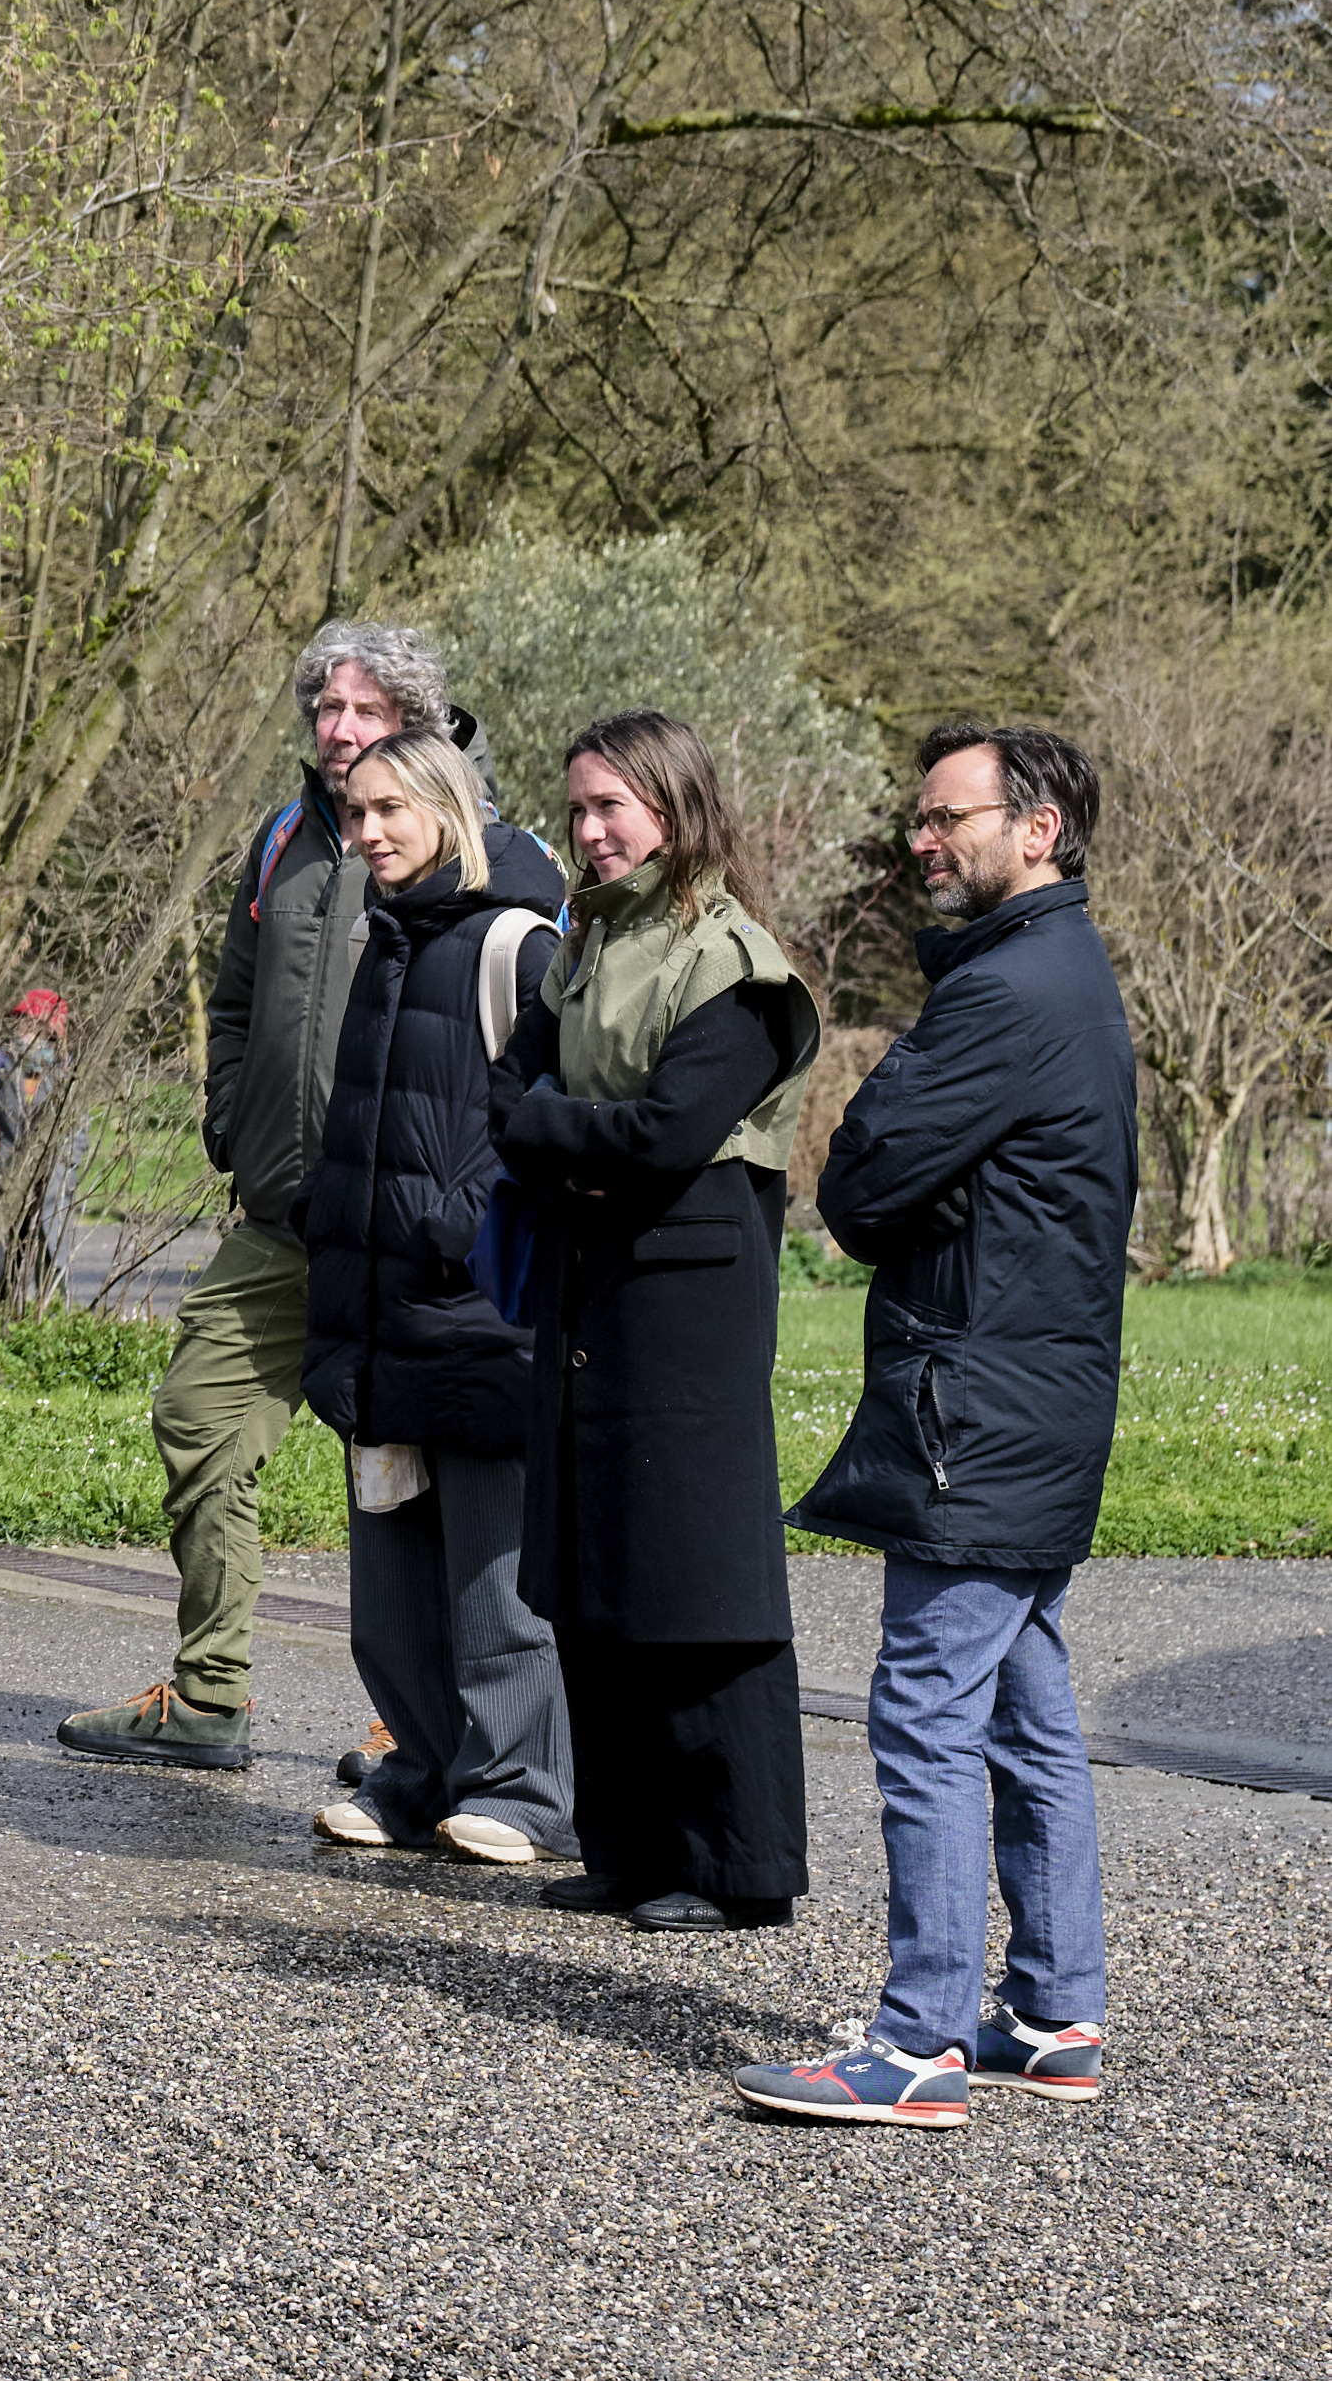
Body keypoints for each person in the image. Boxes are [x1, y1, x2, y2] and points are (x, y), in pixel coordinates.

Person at [60, 621, 565, 1768]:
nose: (339, 730)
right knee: (197, 1417)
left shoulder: (486, 849)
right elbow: (235, 1006)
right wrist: (232, 1122)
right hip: (284, 1219)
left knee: (412, 1484)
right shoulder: (284, 838)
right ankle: (208, 1696)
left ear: (418, 725)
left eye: (366, 710)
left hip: (407, 1244)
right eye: (327, 709)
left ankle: (422, 1725)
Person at [734, 724, 1136, 2128]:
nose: (922, 837)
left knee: (921, 1705)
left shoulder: (1008, 987)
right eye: (915, 816)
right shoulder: (1056, 972)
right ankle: (1051, 2008)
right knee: (1022, 1709)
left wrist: (883, 1142)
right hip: (1031, 1395)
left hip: (976, 1401)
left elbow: (861, 1172)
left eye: (945, 816)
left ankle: (912, 2042)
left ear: (1035, 831)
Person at [487, 710, 822, 1935]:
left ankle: (736, 1866)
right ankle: (628, 1846)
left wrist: (557, 1141)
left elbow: (671, 1137)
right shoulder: (585, 941)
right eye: (576, 808)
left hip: (686, 1301)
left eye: (609, 807)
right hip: (591, 1284)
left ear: (673, 810)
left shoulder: (734, 962)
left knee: (697, 1587)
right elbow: (504, 1096)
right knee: (593, 1568)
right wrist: (576, 1146)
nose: (586, 829)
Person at [297, 726, 569, 1866]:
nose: (367, 834)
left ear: (448, 810)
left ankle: (527, 1791)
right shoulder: (383, 940)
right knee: (392, 1580)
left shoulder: (520, 943)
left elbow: (553, 1123)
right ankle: (423, 1768)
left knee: (494, 1577)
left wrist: (451, 1229)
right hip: (381, 1316)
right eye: (355, 815)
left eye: (389, 813)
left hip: (479, 1315)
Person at [0, 986, 79, 1307]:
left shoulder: (65, 1071)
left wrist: (64, 1172)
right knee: (3, 1257)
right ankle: (5, 1315)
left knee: (49, 1253)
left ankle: (54, 1318)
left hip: (47, 1180)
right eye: (23, 1021)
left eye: (34, 1024)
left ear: (51, 1031)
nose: (25, 1029)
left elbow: (78, 1132)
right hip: (0, 1170)